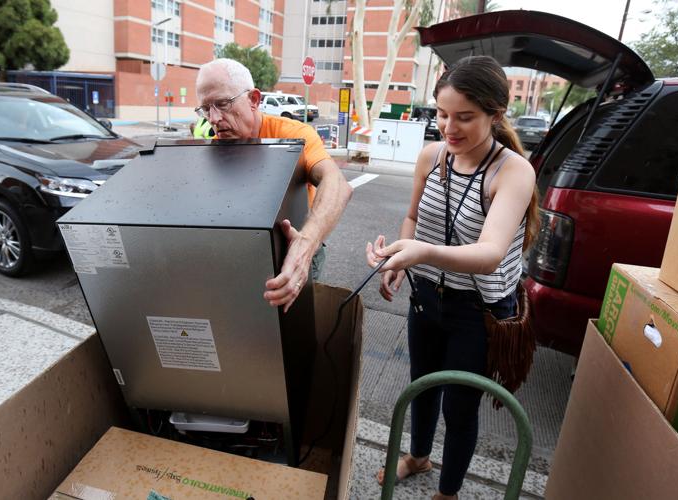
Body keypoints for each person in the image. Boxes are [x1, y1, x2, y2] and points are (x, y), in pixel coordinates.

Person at [365, 56, 538, 500]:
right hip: (426, 298)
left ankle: (448, 492)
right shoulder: (431, 156)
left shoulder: (512, 171)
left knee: (460, 406)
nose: (449, 128)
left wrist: (421, 252)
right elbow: (411, 217)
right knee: (421, 386)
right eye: (442, 114)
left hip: (477, 311)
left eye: (465, 117)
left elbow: (489, 254)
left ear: (496, 115)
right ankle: (419, 455)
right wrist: (399, 260)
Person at [195, 58, 352, 312]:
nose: (213, 119)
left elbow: (337, 184)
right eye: (205, 108)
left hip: (294, 248)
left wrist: (306, 245)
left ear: (254, 100)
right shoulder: (213, 141)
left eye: (222, 104)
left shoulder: (293, 135)